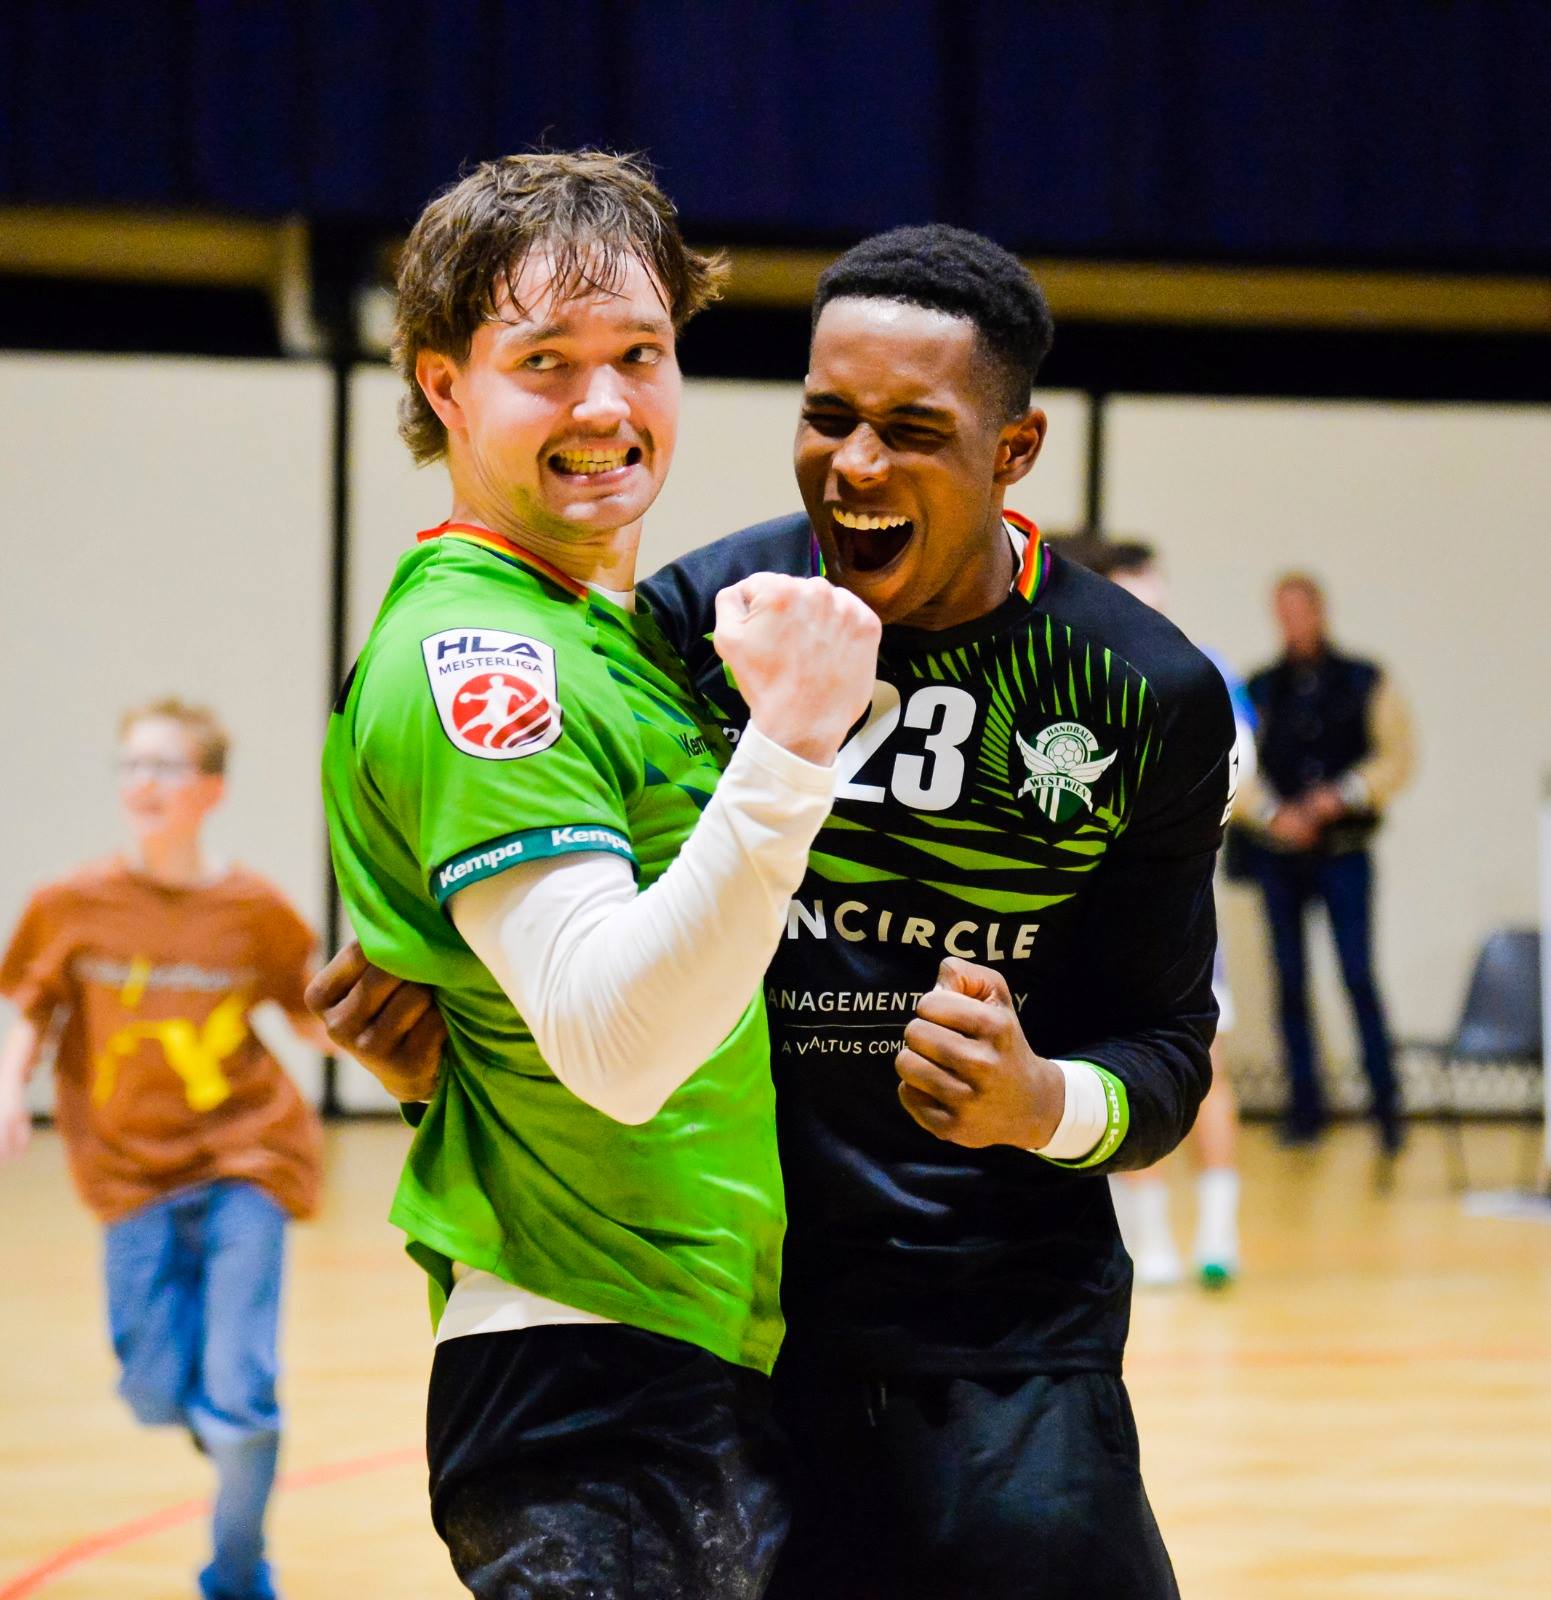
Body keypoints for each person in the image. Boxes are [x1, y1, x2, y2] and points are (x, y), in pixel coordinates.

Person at [317, 222, 1234, 1599]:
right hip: (735, 1343)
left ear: (1013, 452)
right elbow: (608, 989)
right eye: (826, 419)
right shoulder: (698, 620)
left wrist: (1038, 1101)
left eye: (911, 431)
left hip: (998, 1345)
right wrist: (441, 1055)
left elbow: (1163, 1052)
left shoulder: (1138, 690)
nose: (854, 466)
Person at [320, 151, 878, 1598]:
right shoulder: (484, 660)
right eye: (543, 363)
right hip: (589, 1365)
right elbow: (616, 1047)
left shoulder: (602, 632)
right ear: (443, 387)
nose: (604, 406)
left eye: (639, 353)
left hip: (679, 1342)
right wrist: (795, 742)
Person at [0, 699, 325, 1600]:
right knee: (149, 1390)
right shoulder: (70, 904)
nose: (144, 782)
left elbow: (312, 1014)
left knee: (242, 1392)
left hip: (246, 1160)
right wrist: (7, 1088)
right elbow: (30, 1002)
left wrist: (410, 1026)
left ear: (209, 789)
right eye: (131, 765)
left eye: (167, 767)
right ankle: (216, 1420)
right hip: (128, 1171)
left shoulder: (253, 909)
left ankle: (235, 1570)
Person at [1082, 539, 1255, 1287]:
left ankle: (1218, 1234)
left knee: (1206, 1064)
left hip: (1175, 898)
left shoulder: (1204, 670)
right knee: (1113, 1056)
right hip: (1090, 906)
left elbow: (1242, 778)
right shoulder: (1081, 666)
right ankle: (1147, 1243)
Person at [1242, 573, 1415, 1152]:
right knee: (1290, 982)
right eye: (1282, 612)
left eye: (1301, 610)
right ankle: (1305, 1111)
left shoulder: (1368, 679)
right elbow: (1237, 767)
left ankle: (1388, 1110)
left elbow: (1397, 757)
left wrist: (1341, 795)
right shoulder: (1260, 687)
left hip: (1345, 854)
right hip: (1280, 858)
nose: (1293, 622)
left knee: (1358, 976)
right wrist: (1273, 816)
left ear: (1321, 610)